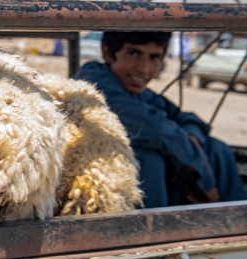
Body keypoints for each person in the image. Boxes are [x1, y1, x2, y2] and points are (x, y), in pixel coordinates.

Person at [74, 31, 247, 208]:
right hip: (98, 184)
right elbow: (157, 129)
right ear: (107, 53)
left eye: (154, 57)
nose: (144, 68)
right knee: (150, 159)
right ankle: (151, 229)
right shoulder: (94, 87)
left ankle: (236, 222)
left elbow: (185, 118)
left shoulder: (136, 92)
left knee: (216, 148)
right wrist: (208, 184)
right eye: (133, 54)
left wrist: (193, 138)